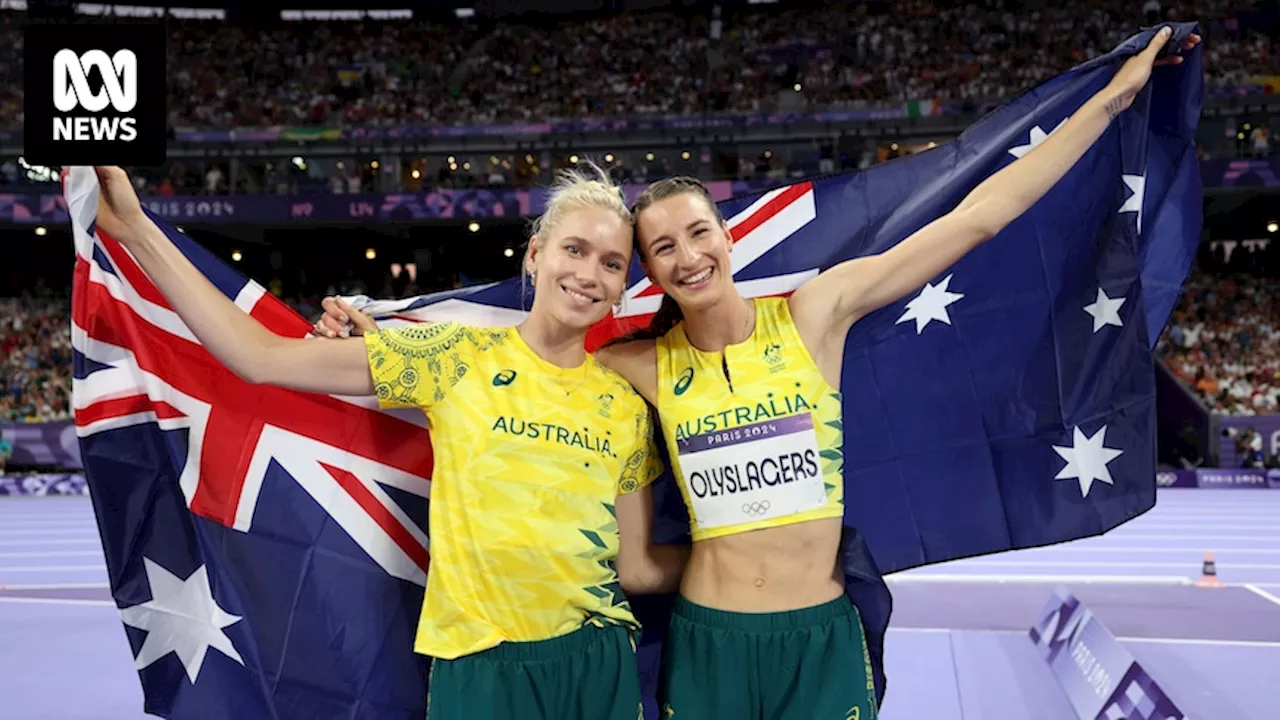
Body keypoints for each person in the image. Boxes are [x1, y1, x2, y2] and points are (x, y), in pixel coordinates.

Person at [319, 27, 1200, 719]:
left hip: (820, 638)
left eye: (698, 233)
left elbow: (976, 219)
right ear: (651, 277)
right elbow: (528, 340)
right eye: (662, 249)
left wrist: (1114, 100)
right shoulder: (639, 366)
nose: (687, 255)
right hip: (707, 643)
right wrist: (383, 325)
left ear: (727, 238)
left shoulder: (818, 314)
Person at [88, 162, 687, 720]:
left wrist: (752, 560)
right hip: (478, 662)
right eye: (574, 250)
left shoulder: (624, 406)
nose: (588, 274)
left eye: (611, 263)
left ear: (621, 288)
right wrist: (137, 229)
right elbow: (258, 357)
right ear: (535, 256)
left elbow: (633, 567)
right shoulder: (453, 356)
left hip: (598, 660)